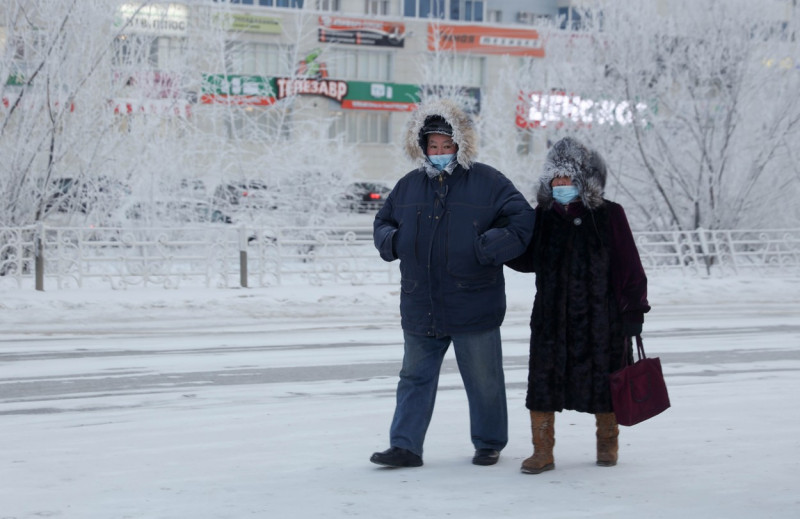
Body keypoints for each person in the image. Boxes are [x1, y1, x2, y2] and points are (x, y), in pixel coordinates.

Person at [370, 98, 535, 468]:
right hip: (420, 303)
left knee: (484, 380)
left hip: (473, 302)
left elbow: (522, 221)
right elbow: (382, 223)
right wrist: (394, 242)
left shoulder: (488, 181)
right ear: (422, 147)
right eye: (433, 145)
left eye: (447, 145)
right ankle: (405, 446)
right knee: (413, 377)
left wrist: (488, 247)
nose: (440, 152)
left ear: (460, 145)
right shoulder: (408, 186)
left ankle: (489, 442)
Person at [506, 136, 651, 474]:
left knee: (605, 383)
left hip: (602, 320)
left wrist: (634, 312)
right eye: (555, 177)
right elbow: (527, 259)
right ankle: (542, 452)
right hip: (551, 321)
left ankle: (607, 444)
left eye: (568, 177)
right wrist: (497, 244)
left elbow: (630, 266)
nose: (561, 184)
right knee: (543, 383)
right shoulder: (543, 217)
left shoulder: (609, 215)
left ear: (584, 179)